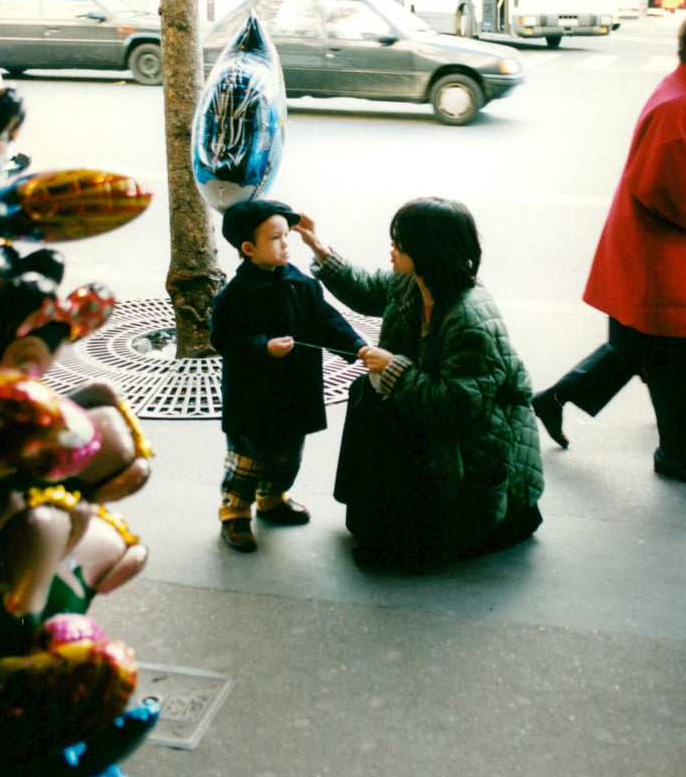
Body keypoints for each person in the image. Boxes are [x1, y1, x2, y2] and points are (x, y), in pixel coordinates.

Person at [532, 7, 686, 486]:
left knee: (634, 346)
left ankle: (554, 399)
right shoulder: (678, 103)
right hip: (662, 257)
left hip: (654, 252)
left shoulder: (685, 94)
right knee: (679, 356)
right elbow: (660, 185)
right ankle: (675, 454)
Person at [297, 197, 544, 571]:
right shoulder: (411, 283)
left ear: (427, 250)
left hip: (476, 443)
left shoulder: (469, 316)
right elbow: (365, 289)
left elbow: (456, 405)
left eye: (400, 241)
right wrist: (318, 246)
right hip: (437, 414)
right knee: (366, 392)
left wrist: (394, 369)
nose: (391, 247)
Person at [210, 198, 367, 552]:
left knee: (287, 455)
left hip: (295, 392)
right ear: (249, 249)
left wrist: (356, 346)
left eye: (286, 236)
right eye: (276, 238)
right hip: (252, 398)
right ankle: (234, 512)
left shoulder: (300, 283)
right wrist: (263, 347)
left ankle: (273, 498)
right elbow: (224, 339)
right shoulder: (234, 296)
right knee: (247, 460)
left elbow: (327, 320)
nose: (286, 244)